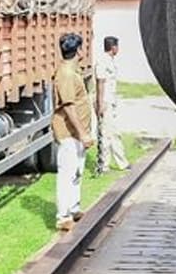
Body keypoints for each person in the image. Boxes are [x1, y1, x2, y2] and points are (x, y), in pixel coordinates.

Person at [53, 33, 95, 232]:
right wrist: (83, 133)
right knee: (67, 174)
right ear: (78, 50)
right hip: (69, 133)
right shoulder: (67, 74)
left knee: (77, 171)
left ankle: (74, 208)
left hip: (77, 134)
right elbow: (69, 107)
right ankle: (63, 217)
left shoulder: (72, 71)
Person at [95, 36, 129, 174]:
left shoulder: (110, 61)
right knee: (106, 134)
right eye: (117, 46)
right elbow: (100, 83)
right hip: (106, 102)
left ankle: (122, 163)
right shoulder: (103, 61)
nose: (118, 49)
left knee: (114, 133)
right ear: (113, 47)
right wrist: (100, 103)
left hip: (111, 101)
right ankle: (104, 165)